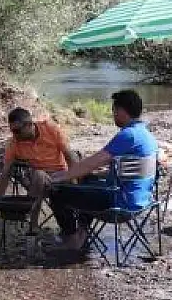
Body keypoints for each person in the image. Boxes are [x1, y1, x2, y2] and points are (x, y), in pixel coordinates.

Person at [48, 89, 159, 254]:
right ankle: (82, 234)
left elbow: (91, 162)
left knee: (57, 193)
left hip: (120, 204)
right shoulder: (146, 135)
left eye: (114, 110)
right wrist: (97, 174)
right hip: (141, 199)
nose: (113, 115)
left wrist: (59, 176)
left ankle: (72, 240)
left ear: (121, 111)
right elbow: (130, 172)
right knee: (87, 181)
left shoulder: (128, 135)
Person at [0, 107, 76, 233]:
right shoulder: (14, 143)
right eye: (12, 131)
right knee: (38, 175)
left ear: (29, 125)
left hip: (60, 176)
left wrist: (75, 183)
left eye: (17, 130)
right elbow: (4, 176)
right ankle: (32, 224)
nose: (14, 135)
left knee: (40, 176)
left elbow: (70, 156)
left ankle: (32, 223)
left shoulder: (51, 129)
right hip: (36, 181)